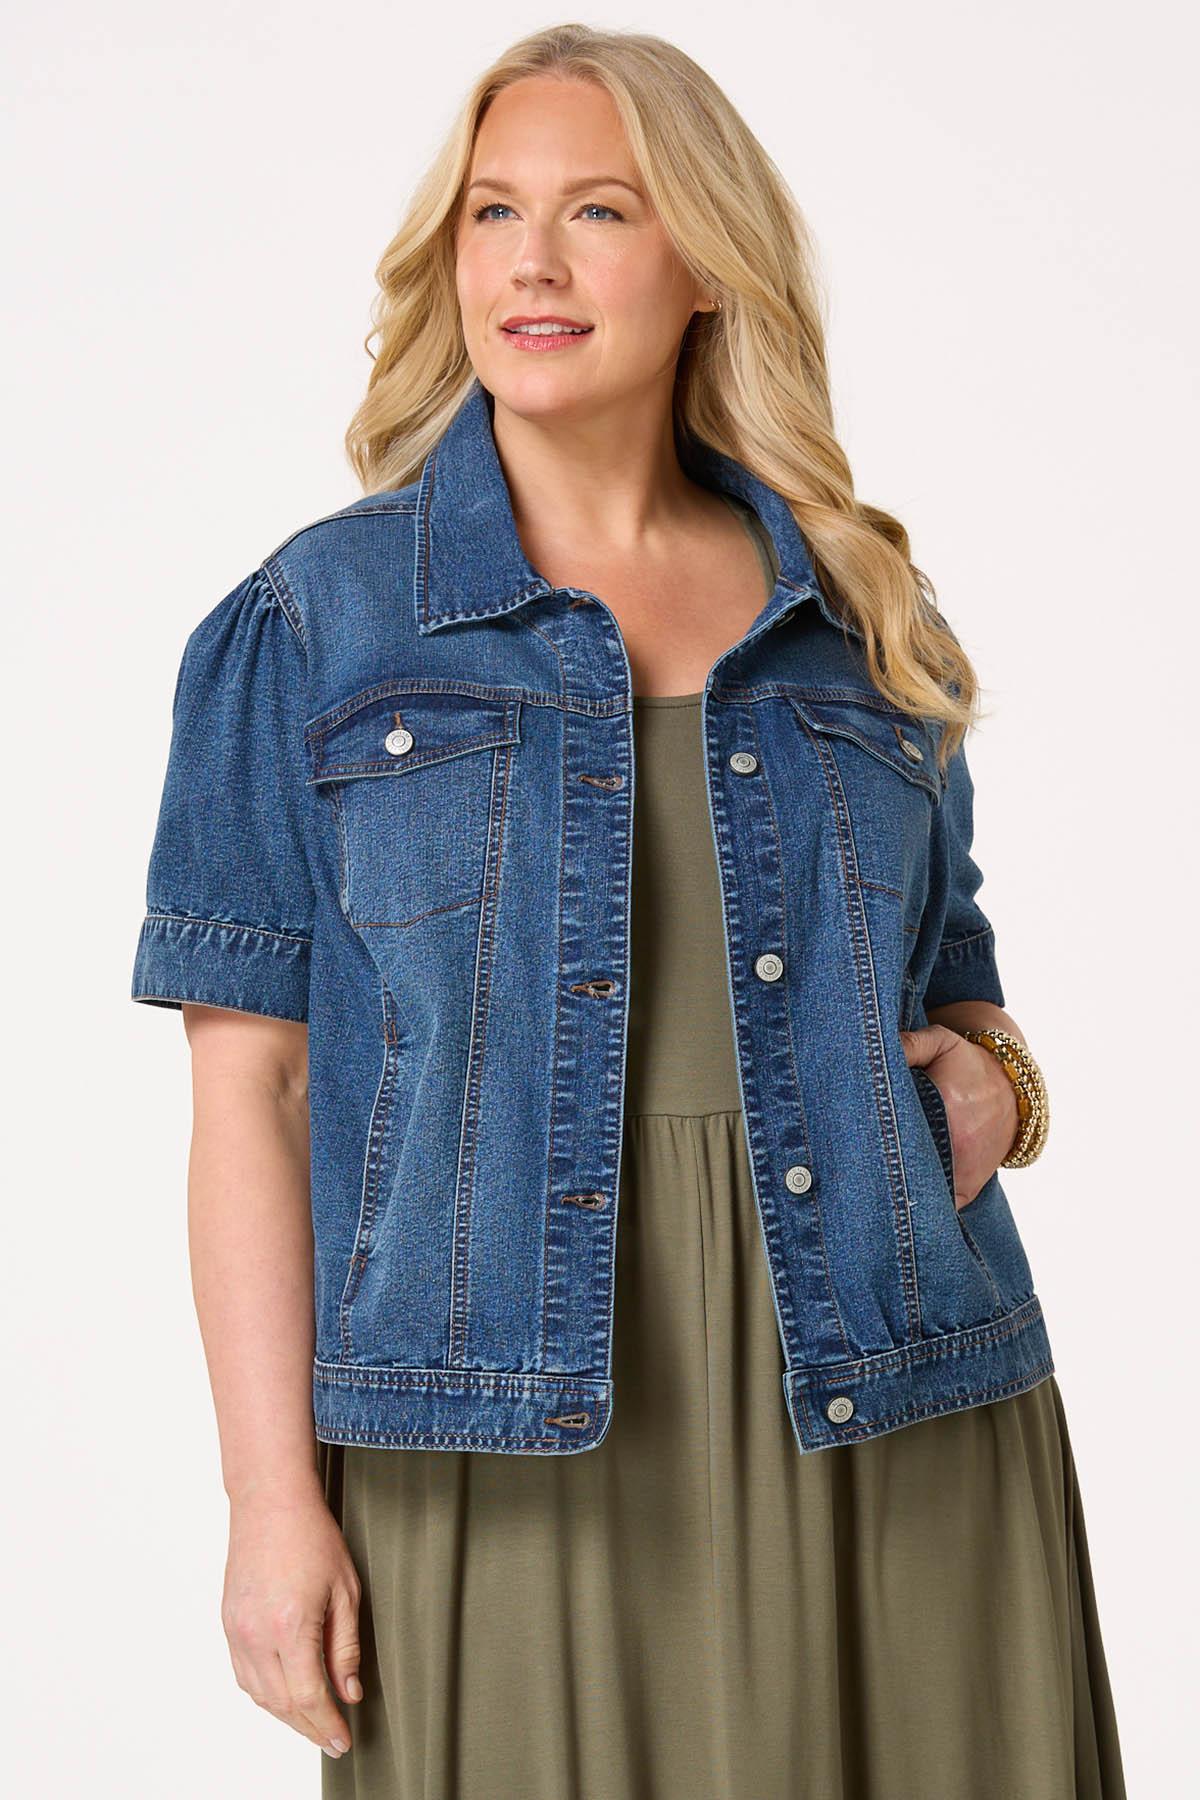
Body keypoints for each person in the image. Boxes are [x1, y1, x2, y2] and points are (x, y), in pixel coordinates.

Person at [130, 22, 1126, 1798]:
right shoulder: (312, 626)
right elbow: (251, 1094)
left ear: (708, 265)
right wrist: (269, 1501)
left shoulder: (860, 613)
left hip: (894, 1400)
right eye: (492, 211)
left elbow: (951, 975)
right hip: (497, 1431)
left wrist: (1001, 1074)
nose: (532, 261)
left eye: (599, 209)